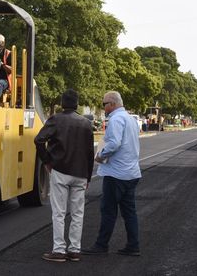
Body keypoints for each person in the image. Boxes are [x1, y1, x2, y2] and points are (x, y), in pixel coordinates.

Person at [34, 89, 94, 263]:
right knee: (78, 213)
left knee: (59, 212)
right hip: (81, 173)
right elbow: (90, 153)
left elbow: (38, 140)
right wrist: (88, 177)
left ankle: (59, 250)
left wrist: (47, 160)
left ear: (62, 103)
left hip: (60, 170)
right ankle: (75, 249)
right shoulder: (86, 123)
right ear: (77, 104)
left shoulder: (56, 120)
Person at [83, 91, 142, 256]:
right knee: (129, 212)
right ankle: (133, 245)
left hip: (116, 174)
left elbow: (114, 143)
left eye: (104, 104)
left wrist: (100, 155)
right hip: (131, 172)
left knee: (108, 211)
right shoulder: (130, 119)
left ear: (112, 104)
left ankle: (101, 245)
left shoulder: (116, 119)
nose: (104, 107)